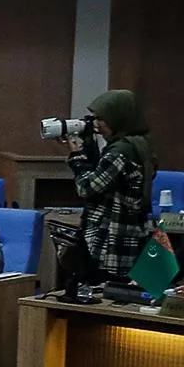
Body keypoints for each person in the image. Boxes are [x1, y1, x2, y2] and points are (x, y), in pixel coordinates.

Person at [58, 89, 155, 282]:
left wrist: (77, 156)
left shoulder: (120, 152)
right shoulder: (138, 144)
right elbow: (105, 179)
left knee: (99, 290)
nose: (96, 124)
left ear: (117, 118)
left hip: (110, 240)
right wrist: (89, 148)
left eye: (102, 119)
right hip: (129, 234)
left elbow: (87, 188)